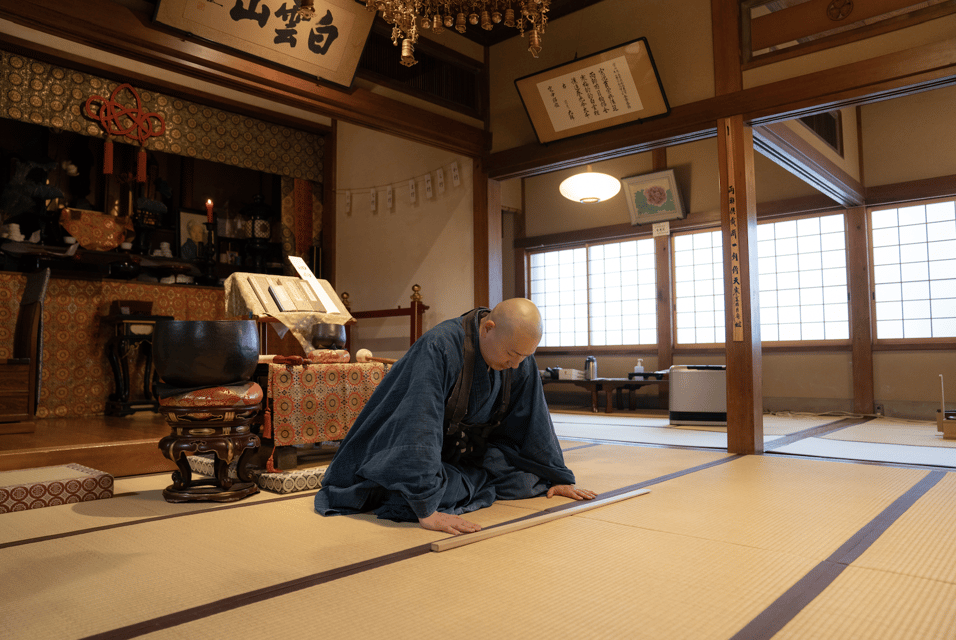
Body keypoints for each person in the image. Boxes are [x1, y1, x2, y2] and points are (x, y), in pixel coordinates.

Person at [315, 298, 596, 535]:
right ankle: (418, 492)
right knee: (413, 496)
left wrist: (555, 474)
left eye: (525, 356)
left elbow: (534, 420)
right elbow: (418, 423)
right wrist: (426, 508)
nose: (516, 364)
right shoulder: (440, 347)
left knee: (528, 481)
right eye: (513, 355)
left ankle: (453, 483)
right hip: (409, 450)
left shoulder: (518, 355)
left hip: (464, 453)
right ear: (488, 328)